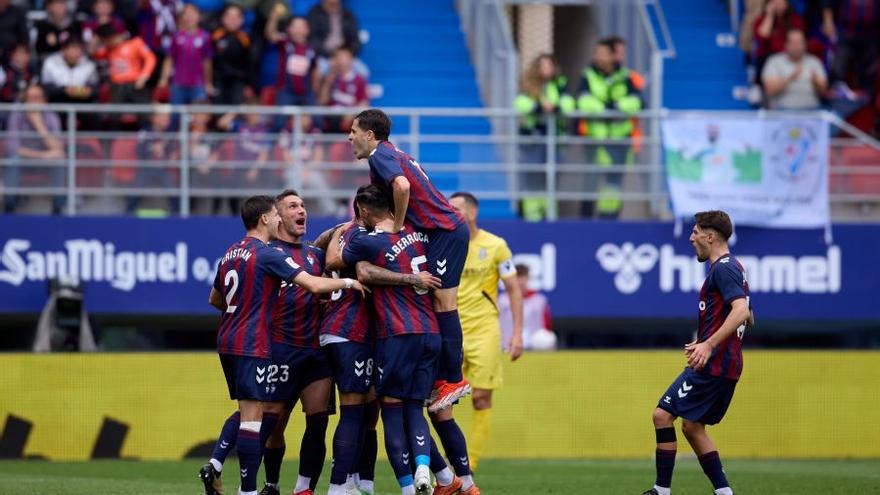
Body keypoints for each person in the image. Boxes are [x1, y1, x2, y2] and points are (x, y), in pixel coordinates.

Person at [203, 195, 363, 495]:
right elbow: (315, 285)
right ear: (269, 218)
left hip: (310, 351)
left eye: (303, 206)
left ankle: (301, 488)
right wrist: (350, 284)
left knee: (312, 423)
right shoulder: (268, 253)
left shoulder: (236, 252)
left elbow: (215, 299)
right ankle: (254, 485)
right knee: (262, 421)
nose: (299, 211)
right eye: (287, 208)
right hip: (272, 346)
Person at [349, 108, 472, 412]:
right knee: (431, 298)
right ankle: (442, 378)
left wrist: (398, 225)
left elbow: (402, 186)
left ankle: (454, 380)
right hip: (441, 232)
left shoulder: (380, 155)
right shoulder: (392, 154)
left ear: (369, 135)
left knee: (445, 303)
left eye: (353, 131)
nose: (349, 137)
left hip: (445, 231)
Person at [320, 195, 441, 495]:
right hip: (416, 331)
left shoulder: (362, 239)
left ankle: (365, 484)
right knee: (405, 410)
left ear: (362, 209)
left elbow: (331, 259)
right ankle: (426, 471)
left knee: (377, 411)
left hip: (381, 333)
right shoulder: (415, 233)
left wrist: (338, 230)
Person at [642, 210, 753, 495]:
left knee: (661, 415)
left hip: (713, 364)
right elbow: (747, 313)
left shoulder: (724, 268)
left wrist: (708, 344)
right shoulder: (734, 266)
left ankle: (661, 490)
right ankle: (724, 493)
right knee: (692, 426)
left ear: (710, 236)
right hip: (726, 365)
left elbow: (740, 311)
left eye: (695, 232)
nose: (691, 238)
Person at [448, 192, 522, 472]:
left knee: (481, 398)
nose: (451, 213)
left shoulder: (496, 246)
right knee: (442, 401)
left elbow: (514, 289)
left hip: (484, 332)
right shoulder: (444, 244)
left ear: (472, 212)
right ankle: (445, 469)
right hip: (451, 330)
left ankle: (468, 468)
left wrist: (516, 334)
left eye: (456, 209)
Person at [576, 39, 642, 219]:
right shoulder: (588, 75)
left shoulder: (626, 76)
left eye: (603, 53)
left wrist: (616, 107)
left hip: (619, 141)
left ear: (613, 55)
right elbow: (583, 101)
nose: (598, 56)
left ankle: (609, 219)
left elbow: (637, 102)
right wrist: (606, 109)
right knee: (590, 181)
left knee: (613, 183)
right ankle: (586, 221)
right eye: (597, 52)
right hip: (595, 140)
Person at [513, 53, 574, 221]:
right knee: (533, 178)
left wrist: (556, 107)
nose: (546, 69)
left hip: (554, 139)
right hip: (533, 138)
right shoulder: (528, 84)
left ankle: (549, 216)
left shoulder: (560, 83)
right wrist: (539, 107)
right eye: (542, 65)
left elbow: (569, 103)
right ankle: (532, 217)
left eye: (549, 65)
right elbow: (520, 103)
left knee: (552, 178)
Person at [4, 84, 66, 214]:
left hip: (45, 164)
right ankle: (9, 208)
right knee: (12, 160)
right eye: (30, 98)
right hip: (23, 161)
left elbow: (58, 148)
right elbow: (13, 148)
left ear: (44, 101)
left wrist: (38, 124)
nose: (33, 102)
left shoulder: (51, 117)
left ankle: (58, 209)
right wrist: (44, 155)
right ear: (24, 101)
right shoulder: (16, 116)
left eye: (37, 98)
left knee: (60, 161)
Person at [94, 23, 156, 127]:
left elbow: (150, 58)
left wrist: (144, 76)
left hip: (135, 84)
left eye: (109, 39)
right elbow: (95, 54)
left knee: (145, 114)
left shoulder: (135, 42)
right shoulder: (108, 50)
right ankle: (110, 141)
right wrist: (96, 40)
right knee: (113, 116)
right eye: (105, 41)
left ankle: (146, 139)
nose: (108, 42)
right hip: (117, 86)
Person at [159, 3, 213, 104]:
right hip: (178, 83)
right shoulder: (176, 36)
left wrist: (208, 83)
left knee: (199, 115)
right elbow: (169, 58)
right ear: (182, 17)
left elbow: (207, 61)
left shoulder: (205, 37)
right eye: (186, 14)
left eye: (192, 13)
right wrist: (164, 79)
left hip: (198, 83)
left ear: (199, 16)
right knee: (175, 115)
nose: (189, 16)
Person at [762, 29, 827, 110]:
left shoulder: (814, 62)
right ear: (785, 44)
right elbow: (769, 90)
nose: (796, 46)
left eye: (799, 42)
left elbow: (824, 92)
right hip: (782, 110)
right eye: (792, 42)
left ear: (805, 44)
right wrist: (790, 78)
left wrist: (815, 83)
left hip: (812, 110)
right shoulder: (774, 61)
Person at [498, 264, 553, 351]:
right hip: (506, 345)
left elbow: (547, 326)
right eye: (517, 277)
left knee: (548, 337)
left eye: (522, 277)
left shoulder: (540, 300)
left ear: (528, 278)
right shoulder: (502, 300)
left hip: (534, 347)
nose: (520, 281)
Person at [752, 0, 805, 85]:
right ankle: (759, 87)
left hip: (790, 55)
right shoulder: (761, 20)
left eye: (781, 3)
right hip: (768, 56)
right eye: (774, 3)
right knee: (765, 58)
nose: (778, 6)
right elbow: (762, 37)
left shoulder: (796, 20)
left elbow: (798, 40)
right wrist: (770, 16)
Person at [211, 4, 250, 106]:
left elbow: (250, 63)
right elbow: (209, 60)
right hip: (218, 79)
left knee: (237, 108)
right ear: (223, 18)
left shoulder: (245, 39)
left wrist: (248, 84)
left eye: (236, 17)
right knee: (217, 110)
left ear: (242, 20)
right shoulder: (215, 36)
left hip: (238, 80)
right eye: (229, 16)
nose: (233, 20)